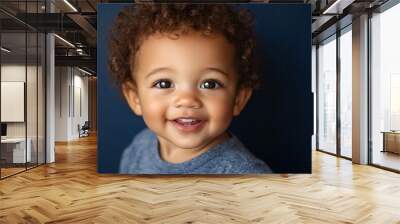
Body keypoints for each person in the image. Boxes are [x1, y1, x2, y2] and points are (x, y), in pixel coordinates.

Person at [108, 3, 273, 174]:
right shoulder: (139, 147)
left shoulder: (245, 173)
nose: (187, 100)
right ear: (135, 98)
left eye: (210, 84)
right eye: (164, 83)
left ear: (239, 98)